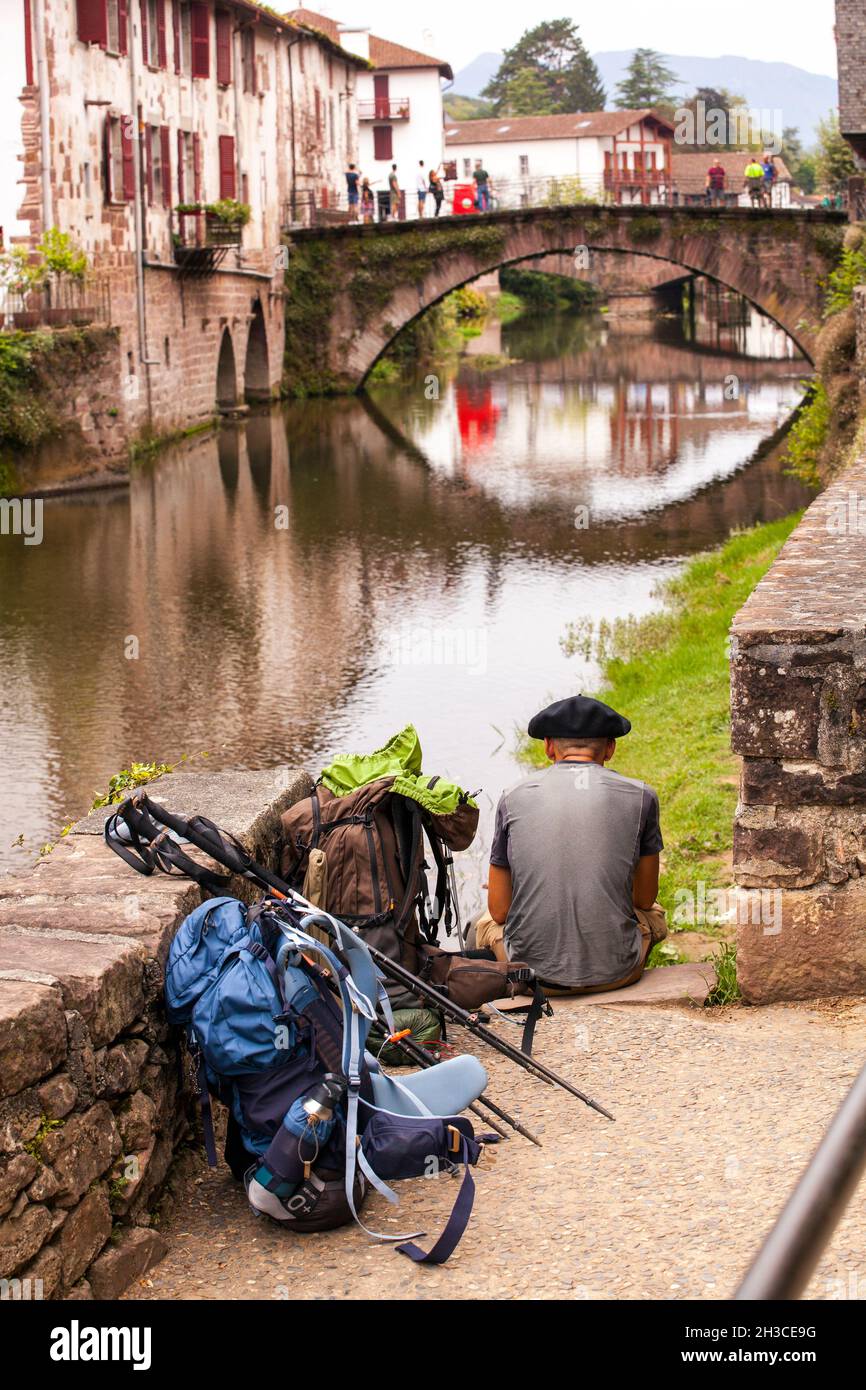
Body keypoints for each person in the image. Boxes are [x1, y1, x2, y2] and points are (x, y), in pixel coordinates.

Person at [474, 694, 667, 994]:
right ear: (611, 748)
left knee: (483, 921)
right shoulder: (642, 796)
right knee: (654, 913)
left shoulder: (513, 796)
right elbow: (643, 899)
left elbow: (499, 911)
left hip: (532, 980)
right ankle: (604, 963)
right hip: (618, 974)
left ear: (549, 747)